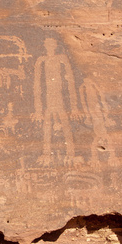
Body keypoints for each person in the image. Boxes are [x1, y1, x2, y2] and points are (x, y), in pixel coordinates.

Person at [32, 38, 82, 166]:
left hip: (60, 100)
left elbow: (70, 82)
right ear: (44, 46)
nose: (50, 46)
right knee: (47, 127)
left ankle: (71, 154)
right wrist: (38, 110)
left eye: (52, 44)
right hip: (49, 100)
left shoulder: (62, 59)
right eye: (47, 44)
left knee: (66, 126)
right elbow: (37, 86)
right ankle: (47, 154)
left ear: (55, 45)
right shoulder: (41, 61)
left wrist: (74, 107)